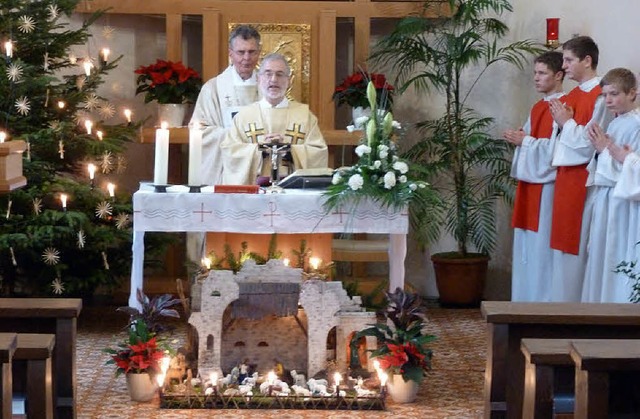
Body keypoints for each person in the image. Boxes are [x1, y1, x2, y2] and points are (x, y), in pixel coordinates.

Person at [547, 36, 613, 301]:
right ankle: (560, 305)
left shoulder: (601, 95)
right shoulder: (572, 95)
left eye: (569, 60)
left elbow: (591, 144)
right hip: (565, 177)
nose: (564, 66)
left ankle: (575, 306)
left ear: (587, 60)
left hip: (583, 177)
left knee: (579, 245)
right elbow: (558, 140)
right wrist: (561, 125)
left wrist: (566, 123)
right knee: (563, 247)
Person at [504, 51, 565, 302]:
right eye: (535, 73)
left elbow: (557, 151)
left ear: (559, 75)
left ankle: (541, 302)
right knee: (528, 247)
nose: (536, 79)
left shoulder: (562, 107)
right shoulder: (538, 106)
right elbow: (532, 140)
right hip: (531, 184)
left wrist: (525, 141)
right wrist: (521, 139)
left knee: (542, 250)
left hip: (548, 188)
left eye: (542, 73)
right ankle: (524, 300)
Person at [220, 53, 328, 185]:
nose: (273, 79)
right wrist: (260, 150)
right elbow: (230, 152)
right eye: (268, 73)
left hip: (293, 191)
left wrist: (289, 152)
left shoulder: (305, 115)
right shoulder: (244, 116)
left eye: (280, 74)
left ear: (289, 81)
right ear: (259, 80)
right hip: (255, 192)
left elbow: (318, 152)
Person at [581, 68, 640, 302]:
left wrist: (606, 151)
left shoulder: (636, 124)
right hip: (607, 199)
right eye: (605, 95)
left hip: (625, 205)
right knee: (604, 255)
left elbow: (630, 168)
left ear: (632, 93)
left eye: (614, 94)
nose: (608, 101)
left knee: (618, 252)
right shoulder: (617, 123)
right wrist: (602, 152)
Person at [190, 25, 261, 185]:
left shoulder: (267, 88)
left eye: (252, 52)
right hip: (223, 168)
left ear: (259, 53)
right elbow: (199, 131)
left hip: (258, 167)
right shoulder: (213, 88)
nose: (246, 58)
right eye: (241, 52)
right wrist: (233, 136)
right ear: (230, 53)